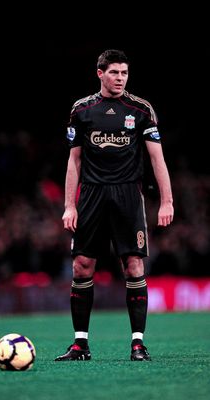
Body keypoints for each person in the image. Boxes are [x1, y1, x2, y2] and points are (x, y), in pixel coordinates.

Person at [55, 49, 174, 362]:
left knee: (134, 265)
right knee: (82, 266)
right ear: (100, 73)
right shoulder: (82, 110)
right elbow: (74, 161)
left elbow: (157, 158)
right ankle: (80, 344)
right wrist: (70, 205)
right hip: (92, 195)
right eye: (114, 73)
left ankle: (138, 344)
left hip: (128, 196)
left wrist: (167, 201)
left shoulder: (140, 109)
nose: (120, 78)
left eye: (124, 73)